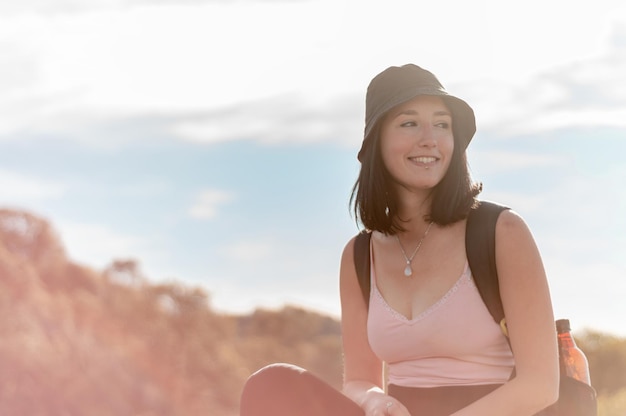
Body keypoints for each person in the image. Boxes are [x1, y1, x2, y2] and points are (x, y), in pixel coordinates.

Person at [240, 64, 559, 416]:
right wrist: (376, 400)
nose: (430, 138)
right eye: (409, 123)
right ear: (377, 140)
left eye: (442, 124)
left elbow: (540, 385)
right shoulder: (360, 255)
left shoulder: (502, 232)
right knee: (272, 385)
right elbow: (360, 380)